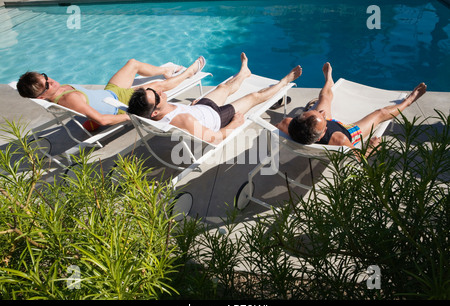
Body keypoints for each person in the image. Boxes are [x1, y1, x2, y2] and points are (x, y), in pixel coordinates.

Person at [128, 52, 302, 144]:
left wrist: (191, 106)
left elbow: (177, 112)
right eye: (157, 97)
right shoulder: (183, 120)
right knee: (254, 97)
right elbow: (214, 138)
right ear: (154, 112)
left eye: (153, 90)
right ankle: (285, 81)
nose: (160, 92)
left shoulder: (157, 111)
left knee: (223, 87)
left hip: (200, 108)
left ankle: (243, 73)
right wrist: (234, 124)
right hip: (217, 117)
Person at [276, 62, 427, 155]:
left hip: (313, 129)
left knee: (324, 98)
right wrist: (371, 148)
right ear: (322, 134)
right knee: (380, 113)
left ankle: (329, 80)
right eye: (321, 115)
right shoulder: (339, 139)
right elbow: (358, 158)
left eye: (314, 110)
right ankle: (409, 101)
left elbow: (273, 132)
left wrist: (320, 120)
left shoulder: (285, 124)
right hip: (347, 131)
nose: (322, 112)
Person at [16, 56, 206, 127]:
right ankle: (189, 73)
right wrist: (133, 115)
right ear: (41, 96)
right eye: (46, 85)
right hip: (119, 104)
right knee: (156, 89)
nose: (51, 81)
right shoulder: (69, 99)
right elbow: (102, 120)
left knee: (133, 64)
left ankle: (164, 70)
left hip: (111, 92)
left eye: (45, 76)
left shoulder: (56, 92)